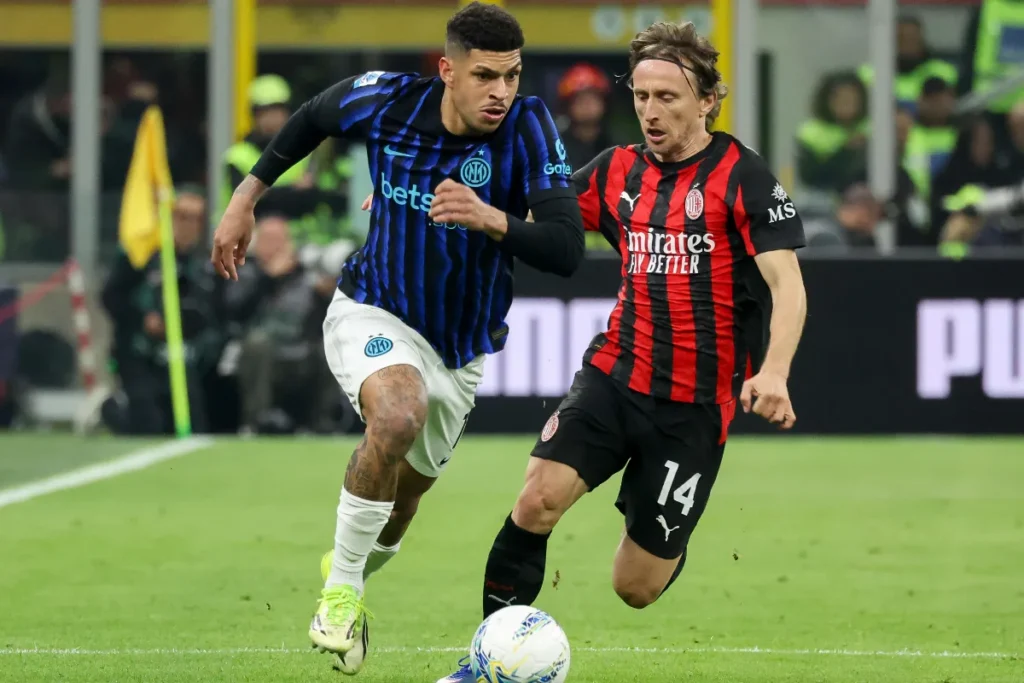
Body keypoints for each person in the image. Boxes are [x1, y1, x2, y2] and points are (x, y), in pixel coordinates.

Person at [211, 1, 584, 674]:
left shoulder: (528, 126)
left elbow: (565, 248)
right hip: (373, 307)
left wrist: (491, 218)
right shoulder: (387, 101)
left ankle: (349, 565)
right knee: (396, 414)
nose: (501, 92)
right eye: (485, 76)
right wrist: (246, 197)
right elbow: (314, 115)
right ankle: (341, 594)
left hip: (460, 348)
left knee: (401, 502)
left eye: (512, 75)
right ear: (448, 70)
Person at [436, 20, 808, 683]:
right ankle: (485, 663)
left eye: (667, 96)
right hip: (614, 375)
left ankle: (664, 535)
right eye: (640, 96)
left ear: (707, 101)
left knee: (634, 586)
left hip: (693, 408)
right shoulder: (616, 170)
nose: (650, 111)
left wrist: (774, 372)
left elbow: (789, 286)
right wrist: (431, 203)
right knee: (536, 499)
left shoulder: (743, 177)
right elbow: (534, 211)